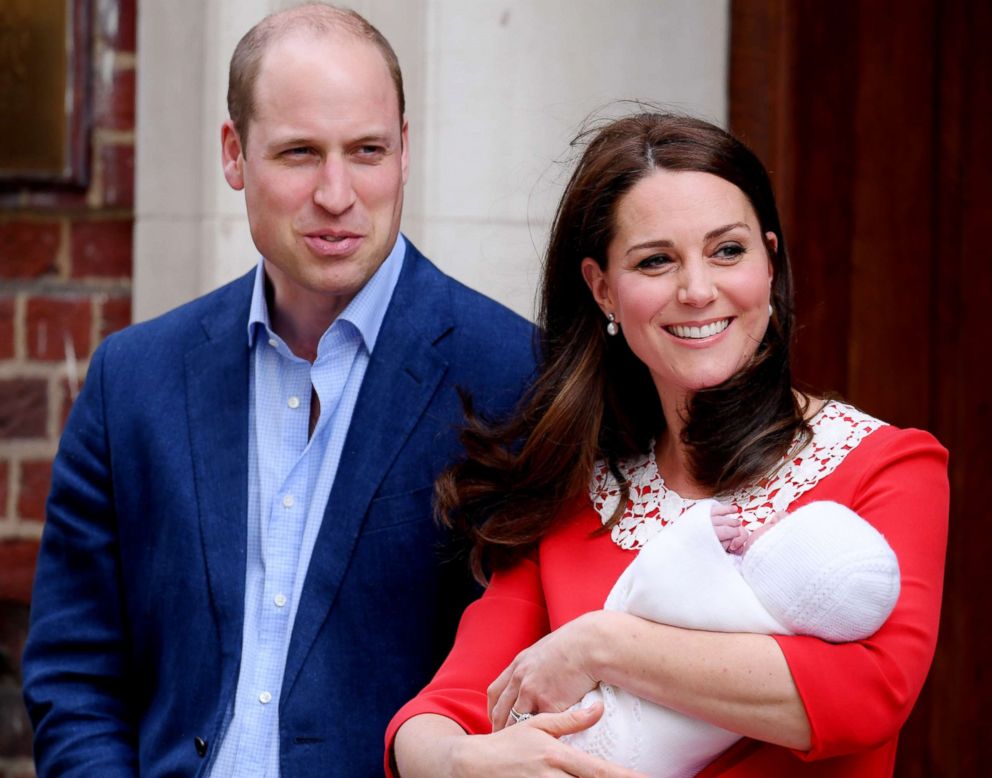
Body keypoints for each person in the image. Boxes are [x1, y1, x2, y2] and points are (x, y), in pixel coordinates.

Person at [22, 4, 534, 777]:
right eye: (299, 153)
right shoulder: (134, 379)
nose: (337, 193)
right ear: (234, 154)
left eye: (367, 151)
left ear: (405, 151)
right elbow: (74, 673)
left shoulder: (516, 375)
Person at [387, 113, 948, 777]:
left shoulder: (887, 466)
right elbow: (441, 712)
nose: (698, 290)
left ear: (770, 262)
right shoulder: (578, 494)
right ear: (603, 290)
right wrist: (458, 763)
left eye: (728, 251)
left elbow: (870, 693)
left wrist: (604, 644)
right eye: (656, 261)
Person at [561, 499, 902, 778]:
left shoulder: (738, 609)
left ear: (779, 567)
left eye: (783, 527)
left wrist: (698, 534)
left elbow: (648, 591)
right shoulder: (786, 634)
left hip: (611, 739)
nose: (776, 514)